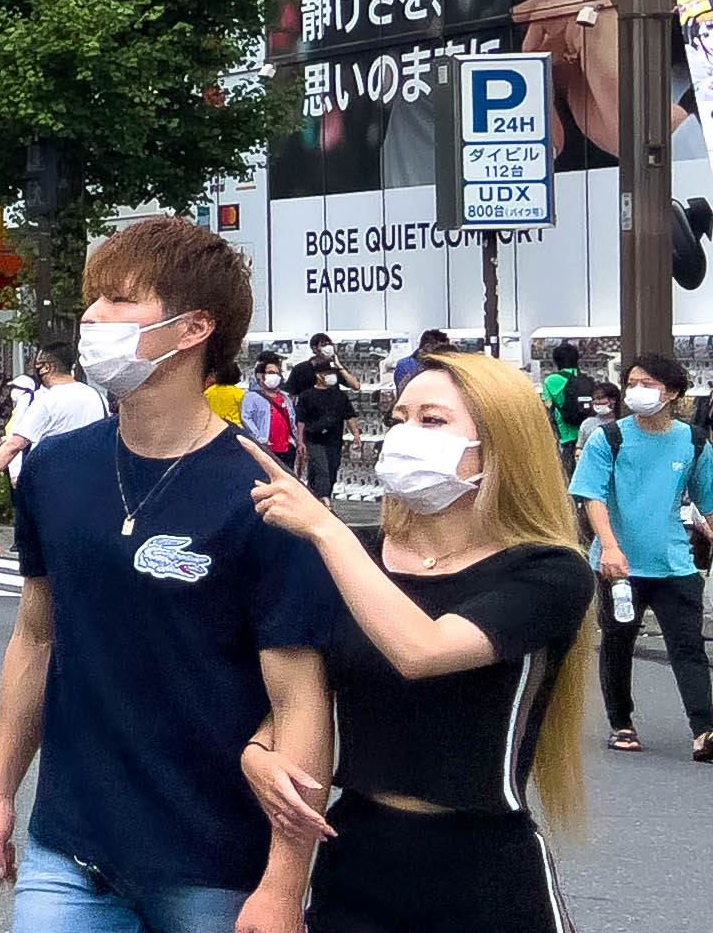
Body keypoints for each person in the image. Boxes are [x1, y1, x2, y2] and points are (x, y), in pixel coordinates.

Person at [0, 216, 339, 931]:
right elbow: (36, 639)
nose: (93, 318)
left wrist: (285, 885)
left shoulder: (264, 496)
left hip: (216, 862)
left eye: (119, 300)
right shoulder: (53, 470)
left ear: (195, 328)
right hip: (69, 849)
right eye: (92, 300)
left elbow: (299, 700)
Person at [235, 349, 593, 932]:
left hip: (484, 873)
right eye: (398, 418)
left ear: (498, 445)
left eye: (432, 420)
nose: (403, 434)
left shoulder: (548, 571)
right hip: (354, 859)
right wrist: (256, 752)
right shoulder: (357, 553)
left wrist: (325, 527)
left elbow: (421, 650)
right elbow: (308, 697)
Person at [565, 349, 711, 759]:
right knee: (618, 642)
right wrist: (609, 548)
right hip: (619, 565)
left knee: (688, 645)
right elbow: (591, 496)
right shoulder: (608, 438)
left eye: (648, 384)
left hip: (675, 562)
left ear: (673, 393)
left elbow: (708, 500)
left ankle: (704, 730)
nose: (637, 391)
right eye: (633, 383)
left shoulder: (694, 442)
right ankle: (621, 722)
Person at [0, 339, 107, 500]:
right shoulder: (97, 396)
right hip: (95, 483)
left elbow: (14, 445)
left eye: (37, 365)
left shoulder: (46, 401)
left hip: (56, 486)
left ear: (46, 367)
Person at [293, 352, 359, 502]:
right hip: (314, 439)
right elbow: (301, 420)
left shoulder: (340, 396)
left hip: (334, 439)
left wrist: (355, 433)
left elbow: (349, 415)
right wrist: (300, 441)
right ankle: (324, 500)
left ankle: (316, 496)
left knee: (332, 468)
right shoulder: (306, 396)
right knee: (321, 467)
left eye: (332, 373)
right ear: (318, 375)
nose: (331, 376)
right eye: (327, 373)